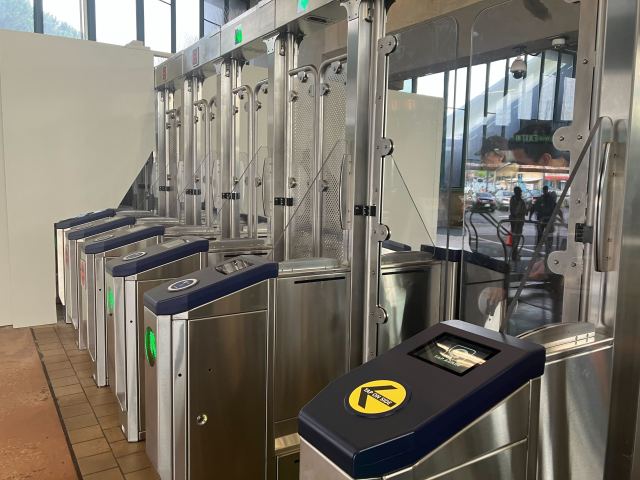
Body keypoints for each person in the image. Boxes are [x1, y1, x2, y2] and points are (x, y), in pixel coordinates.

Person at [529, 185, 557, 253]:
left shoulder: (550, 199)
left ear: (547, 190)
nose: (545, 191)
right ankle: (540, 250)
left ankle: (547, 250)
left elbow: (556, 209)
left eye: (545, 190)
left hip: (548, 220)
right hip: (542, 220)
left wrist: (530, 217)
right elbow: (533, 208)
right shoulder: (541, 199)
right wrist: (530, 217)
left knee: (547, 236)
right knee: (540, 236)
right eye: (544, 190)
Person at [509, 186, 527, 260]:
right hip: (516, 222)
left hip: (518, 222)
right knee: (516, 238)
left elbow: (524, 212)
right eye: (520, 192)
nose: (521, 193)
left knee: (516, 238)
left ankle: (515, 253)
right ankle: (514, 254)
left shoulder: (515, 200)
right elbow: (515, 211)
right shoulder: (518, 201)